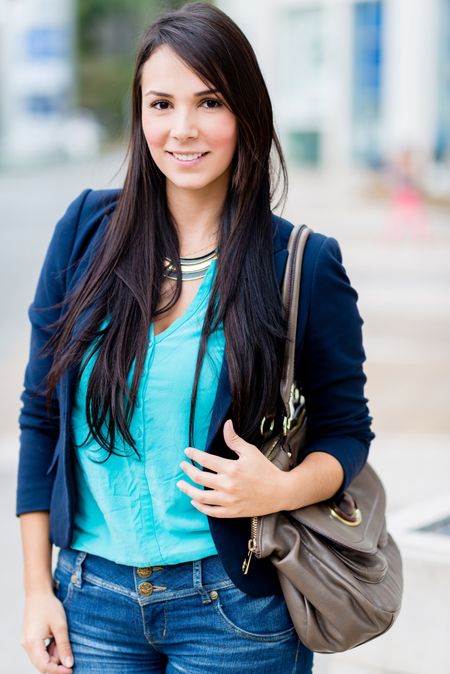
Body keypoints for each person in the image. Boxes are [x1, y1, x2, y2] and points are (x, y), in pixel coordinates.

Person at [16, 3, 374, 673]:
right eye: (161, 103)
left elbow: (347, 432)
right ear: (140, 115)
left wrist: (281, 491)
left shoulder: (299, 261)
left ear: (245, 113)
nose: (182, 130)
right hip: (90, 599)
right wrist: (37, 590)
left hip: (231, 607)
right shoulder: (85, 233)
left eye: (209, 102)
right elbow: (41, 419)